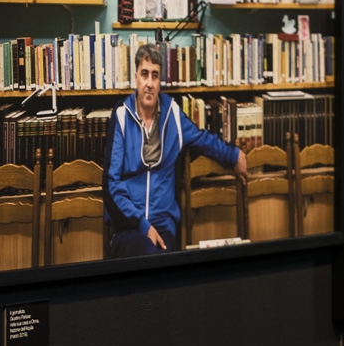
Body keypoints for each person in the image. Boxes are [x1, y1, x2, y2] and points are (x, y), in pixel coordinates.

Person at [104, 43, 247, 258]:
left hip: (163, 224)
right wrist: (142, 225)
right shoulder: (121, 115)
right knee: (147, 256)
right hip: (128, 226)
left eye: (155, 76)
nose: (149, 83)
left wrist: (233, 156)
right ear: (136, 77)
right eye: (144, 74)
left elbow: (202, 139)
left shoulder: (173, 114)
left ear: (160, 81)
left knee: (157, 258)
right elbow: (111, 184)